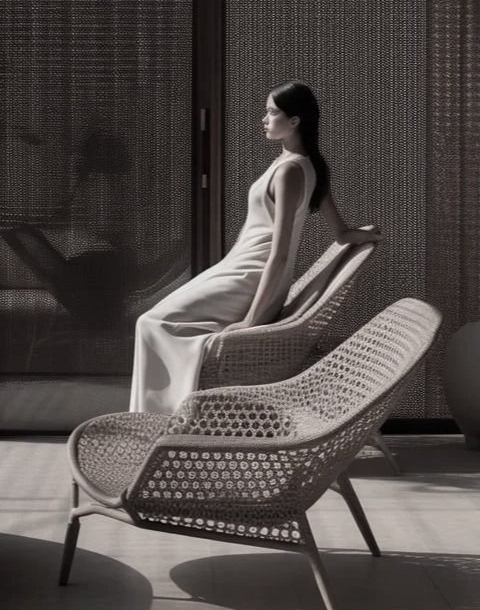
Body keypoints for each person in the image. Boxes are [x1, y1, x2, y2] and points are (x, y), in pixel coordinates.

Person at [129, 81, 382, 414]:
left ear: (294, 121)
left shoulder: (291, 171)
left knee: (152, 323)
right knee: (153, 322)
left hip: (251, 276)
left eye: (272, 112)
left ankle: (166, 417)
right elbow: (342, 233)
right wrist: (362, 234)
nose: (264, 119)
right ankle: (169, 414)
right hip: (238, 267)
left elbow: (279, 253)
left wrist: (252, 319)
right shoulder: (301, 164)